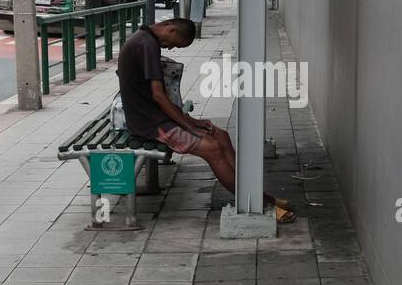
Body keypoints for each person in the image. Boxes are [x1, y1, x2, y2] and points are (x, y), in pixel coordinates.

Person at [117, 18, 296, 224]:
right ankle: (257, 204)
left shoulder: (145, 40)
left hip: (159, 118)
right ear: (171, 29)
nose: (171, 47)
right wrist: (188, 125)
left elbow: (158, 98)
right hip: (151, 126)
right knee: (212, 148)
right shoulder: (147, 44)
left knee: (221, 135)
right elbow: (158, 95)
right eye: (175, 43)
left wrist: (191, 121)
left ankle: (260, 197)